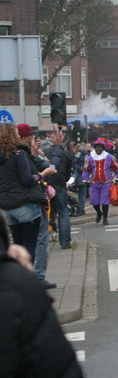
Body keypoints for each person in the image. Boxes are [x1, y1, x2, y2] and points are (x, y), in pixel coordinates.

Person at [0, 212, 85, 378]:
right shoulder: (16, 285)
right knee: (34, 240)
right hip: (27, 209)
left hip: (13, 209)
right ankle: (39, 273)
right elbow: (55, 365)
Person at [0, 123, 57, 265]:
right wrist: (42, 174)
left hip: (7, 207)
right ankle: (27, 278)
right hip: (25, 204)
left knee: (17, 246)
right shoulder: (19, 154)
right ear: (14, 136)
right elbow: (27, 180)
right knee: (30, 246)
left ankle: (17, 277)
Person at [17, 124, 57, 289]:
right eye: (32, 137)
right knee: (37, 241)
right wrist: (42, 174)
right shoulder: (22, 155)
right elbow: (29, 177)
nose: (34, 139)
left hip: (11, 205)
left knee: (19, 242)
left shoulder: (14, 154)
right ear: (25, 138)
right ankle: (35, 278)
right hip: (29, 203)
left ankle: (20, 278)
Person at [45, 130, 74, 248]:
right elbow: (68, 173)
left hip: (46, 184)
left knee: (43, 211)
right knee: (63, 212)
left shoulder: (46, 152)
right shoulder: (66, 154)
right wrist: (64, 180)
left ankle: (43, 240)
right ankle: (65, 242)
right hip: (59, 184)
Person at [83, 138, 118, 226]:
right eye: (97, 147)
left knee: (105, 201)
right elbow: (86, 169)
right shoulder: (90, 158)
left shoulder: (109, 157)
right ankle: (99, 213)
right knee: (94, 201)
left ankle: (105, 218)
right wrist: (86, 178)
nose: (98, 149)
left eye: (100, 147)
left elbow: (117, 168)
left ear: (103, 148)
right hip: (94, 183)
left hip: (106, 182)